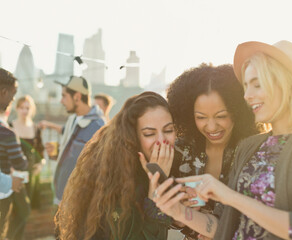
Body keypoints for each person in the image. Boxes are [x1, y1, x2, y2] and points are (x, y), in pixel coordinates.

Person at [151, 40, 292, 240]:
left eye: (256, 85)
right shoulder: (249, 147)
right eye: (246, 86)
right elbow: (223, 225)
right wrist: (177, 211)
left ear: (286, 85)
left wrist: (231, 196)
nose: (246, 95)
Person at [56, 91, 176, 240]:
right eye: (149, 133)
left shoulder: (178, 162)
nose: (161, 141)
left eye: (168, 130)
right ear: (133, 137)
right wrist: (157, 185)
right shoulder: (117, 179)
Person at [166, 63, 258, 239]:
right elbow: (163, 217)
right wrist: (179, 215)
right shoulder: (181, 150)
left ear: (238, 112)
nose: (211, 126)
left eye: (221, 116)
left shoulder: (254, 152)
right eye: (201, 117)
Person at [39, 76, 105, 205]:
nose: (61, 101)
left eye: (64, 96)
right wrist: (58, 152)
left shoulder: (98, 127)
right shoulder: (73, 119)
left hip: (78, 203)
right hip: (62, 198)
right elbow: (75, 157)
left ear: (77, 97)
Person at [0, 68, 29, 240]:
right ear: (3, 92)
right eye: (13, 93)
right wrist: (10, 182)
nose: (13, 99)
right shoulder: (7, 133)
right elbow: (20, 163)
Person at [11, 95, 44, 209]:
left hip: (32, 176)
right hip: (14, 174)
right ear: (17, 109)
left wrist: (40, 165)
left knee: (29, 209)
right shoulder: (10, 127)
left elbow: (40, 152)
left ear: (32, 110)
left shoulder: (36, 128)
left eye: (27, 108)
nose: (24, 111)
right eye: (21, 107)